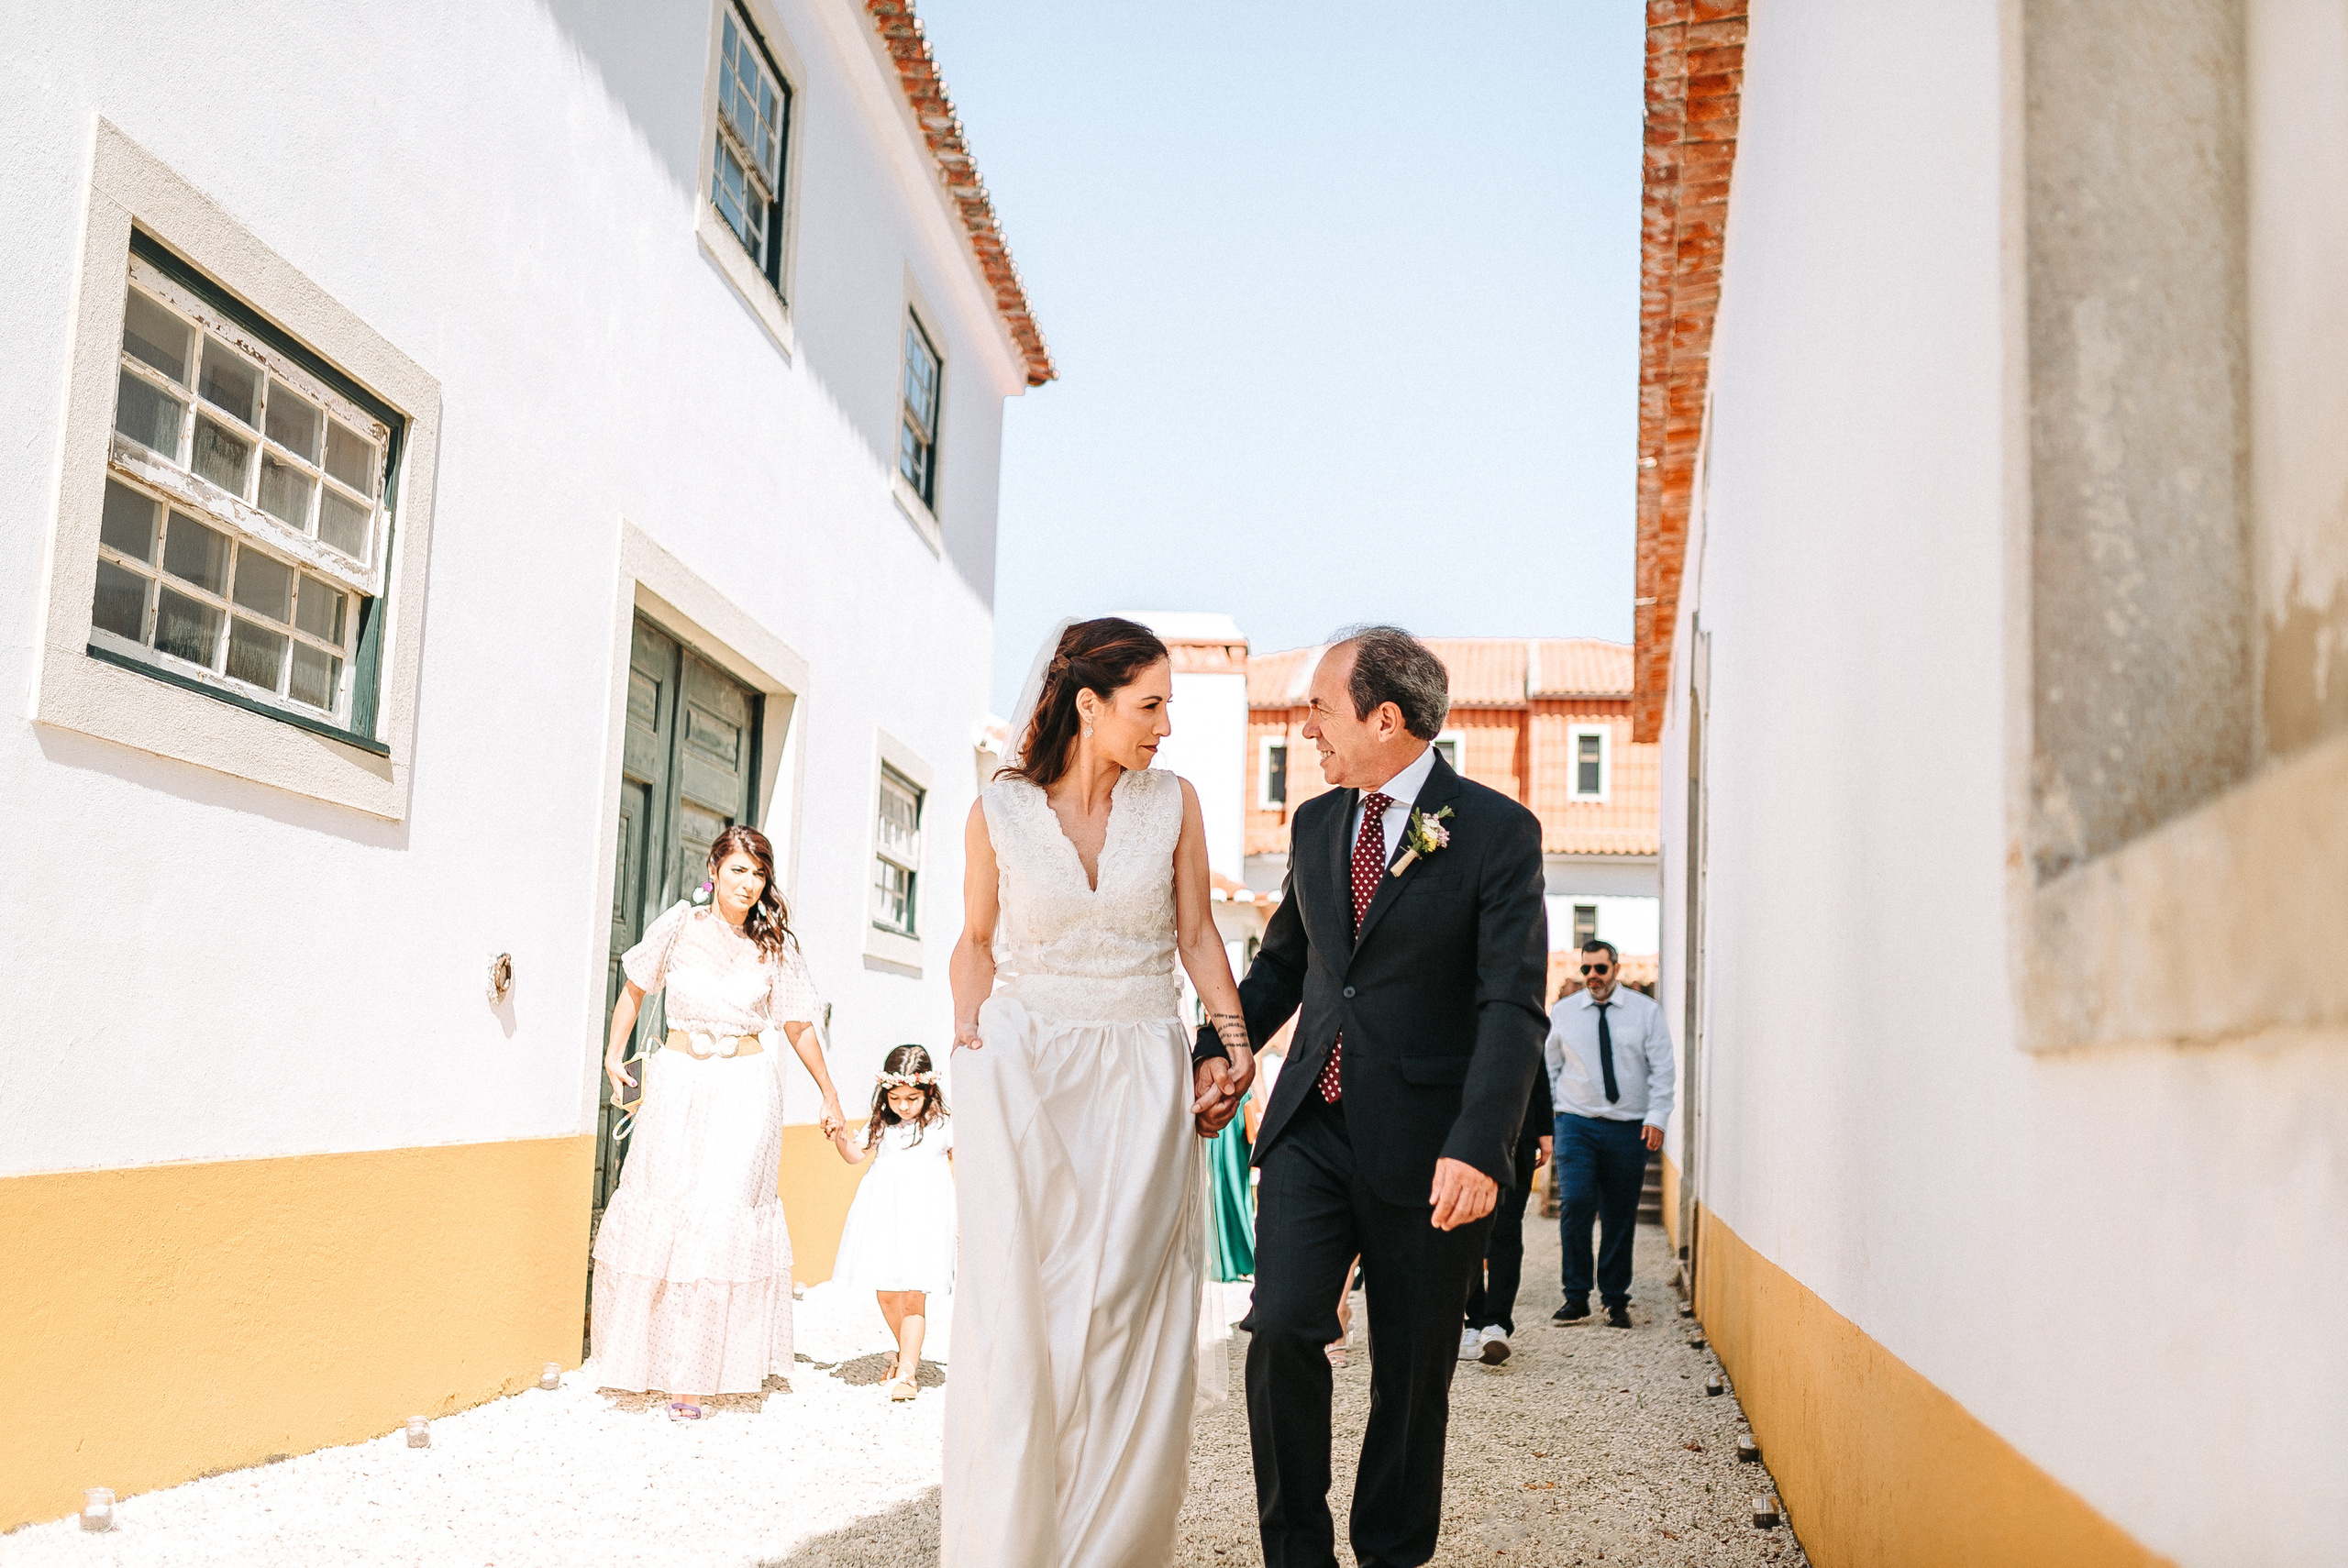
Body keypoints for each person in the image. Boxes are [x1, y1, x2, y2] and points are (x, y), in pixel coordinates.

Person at [1209, 625, 1549, 1568]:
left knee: (1410, 1373)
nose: (1305, 726)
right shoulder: (1317, 824)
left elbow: (1512, 1004)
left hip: (1434, 1147)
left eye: (1320, 708)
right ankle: (1297, 1554)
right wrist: (1218, 1048)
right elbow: (1285, 966)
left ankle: (1391, 1555)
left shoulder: (1497, 832)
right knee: (1281, 1329)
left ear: (1384, 717)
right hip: (1311, 1130)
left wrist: (1481, 1144)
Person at [943, 615, 1257, 1568]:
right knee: (1026, 1305)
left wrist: (1233, 1043)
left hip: (1140, 1072)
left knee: (1125, 1300)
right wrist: (966, 1038)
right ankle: (1018, 1540)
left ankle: (1108, 1545)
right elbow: (976, 942)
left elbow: (1197, 936)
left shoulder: (1175, 803)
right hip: (1026, 1072)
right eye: (1149, 705)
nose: (1165, 726)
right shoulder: (997, 811)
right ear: (1090, 703)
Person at [593, 826, 847, 1420]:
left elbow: (798, 1024)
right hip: (678, 1083)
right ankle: (647, 1361)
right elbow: (635, 987)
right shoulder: (679, 926)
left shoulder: (774, 945)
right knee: (668, 1208)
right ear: (714, 870)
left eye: (759, 874)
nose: (749, 884)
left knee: (723, 1217)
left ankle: (696, 1377)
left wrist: (830, 1092)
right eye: (738, 870)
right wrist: (613, 1053)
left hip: (746, 1091)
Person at [1545, 938, 1675, 1329]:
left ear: (1616, 969)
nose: (1593, 976)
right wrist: (1550, 1120)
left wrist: (1657, 1117)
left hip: (1628, 1127)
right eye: (1586, 969)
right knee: (1576, 1203)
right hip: (1576, 1123)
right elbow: (1549, 1068)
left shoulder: (1646, 1012)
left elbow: (1663, 1070)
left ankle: (1615, 1299)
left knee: (1619, 1213)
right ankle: (1576, 1296)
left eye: (1600, 969)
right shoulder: (1564, 1012)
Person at [825, 1043, 955, 1402]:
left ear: (929, 1090)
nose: (904, 1106)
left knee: (914, 1295)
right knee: (886, 1293)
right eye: (895, 1098)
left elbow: (964, 1167)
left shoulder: (944, 1126)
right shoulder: (881, 1124)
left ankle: (907, 1374)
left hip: (925, 1218)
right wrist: (839, 1135)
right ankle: (907, 1354)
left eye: (913, 1098)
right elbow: (855, 1155)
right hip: (884, 1216)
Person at [1459, 1064, 1552, 1364]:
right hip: (1463, 1127)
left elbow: (1535, 1060)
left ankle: (1496, 1324)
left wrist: (1545, 1129)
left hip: (1517, 1130)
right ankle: (1472, 1323)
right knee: (1467, 1227)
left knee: (1507, 1227)